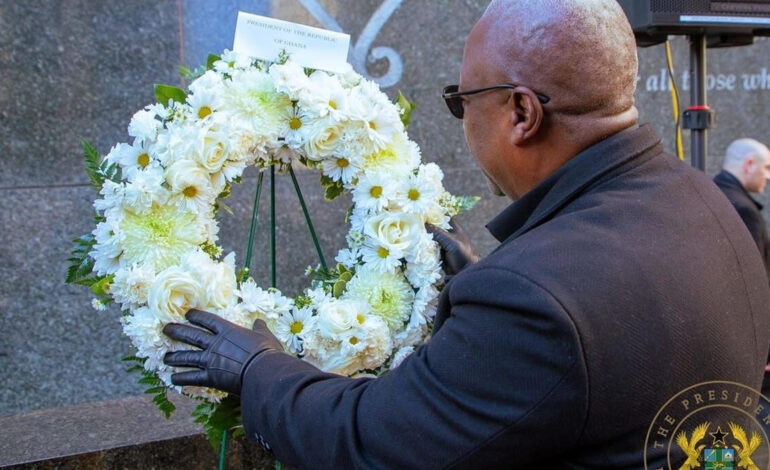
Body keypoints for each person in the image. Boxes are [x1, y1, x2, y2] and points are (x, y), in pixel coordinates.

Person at [162, 0, 770, 468]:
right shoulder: (707, 202)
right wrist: (484, 282)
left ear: (522, 114)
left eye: (461, 101)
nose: (462, 119)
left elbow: (372, 444)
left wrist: (260, 370)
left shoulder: (534, 299)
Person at [713, 138, 770, 275]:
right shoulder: (745, 211)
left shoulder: (712, 192)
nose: (768, 176)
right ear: (749, 164)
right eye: (766, 168)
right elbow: (754, 274)